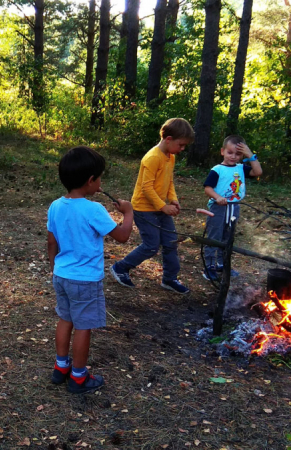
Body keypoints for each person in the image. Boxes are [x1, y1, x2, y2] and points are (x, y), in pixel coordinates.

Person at [47, 146, 133, 394]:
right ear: (90, 181)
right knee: (83, 326)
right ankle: (78, 377)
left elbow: (52, 241)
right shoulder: (94, 210)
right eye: (100, 177)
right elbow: (123, 236)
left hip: (62, 275)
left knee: (65, 319)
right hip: (85, 280)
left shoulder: (55, 206)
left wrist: (54, 266)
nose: (101, 182)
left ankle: (61, 366)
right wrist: (128, 213)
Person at [109, 118, 194, 295]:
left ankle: (169, 279)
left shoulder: (170, 157)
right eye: (181, 145)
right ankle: (120, 267)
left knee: (171, 242)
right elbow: (146, 188)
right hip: (144, 209)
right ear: (168, 139)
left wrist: (173, 199)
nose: (182, 149)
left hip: (160, 207)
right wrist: (163, 207)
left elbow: (169, 181)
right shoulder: (152, 158)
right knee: (151, 245)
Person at [202, 135, 262, 280]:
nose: (233, 157)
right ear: (222, 151)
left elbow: (258, 172)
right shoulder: (218, 169)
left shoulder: (241, 168)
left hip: (234, 208)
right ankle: (209, 266)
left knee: (228, 237)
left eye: (238, 154)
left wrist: (250, 155)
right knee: (214, 236)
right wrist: (218, 197)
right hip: (218, 207)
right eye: (230, 152)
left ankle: (222, 264)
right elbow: (207, 188)